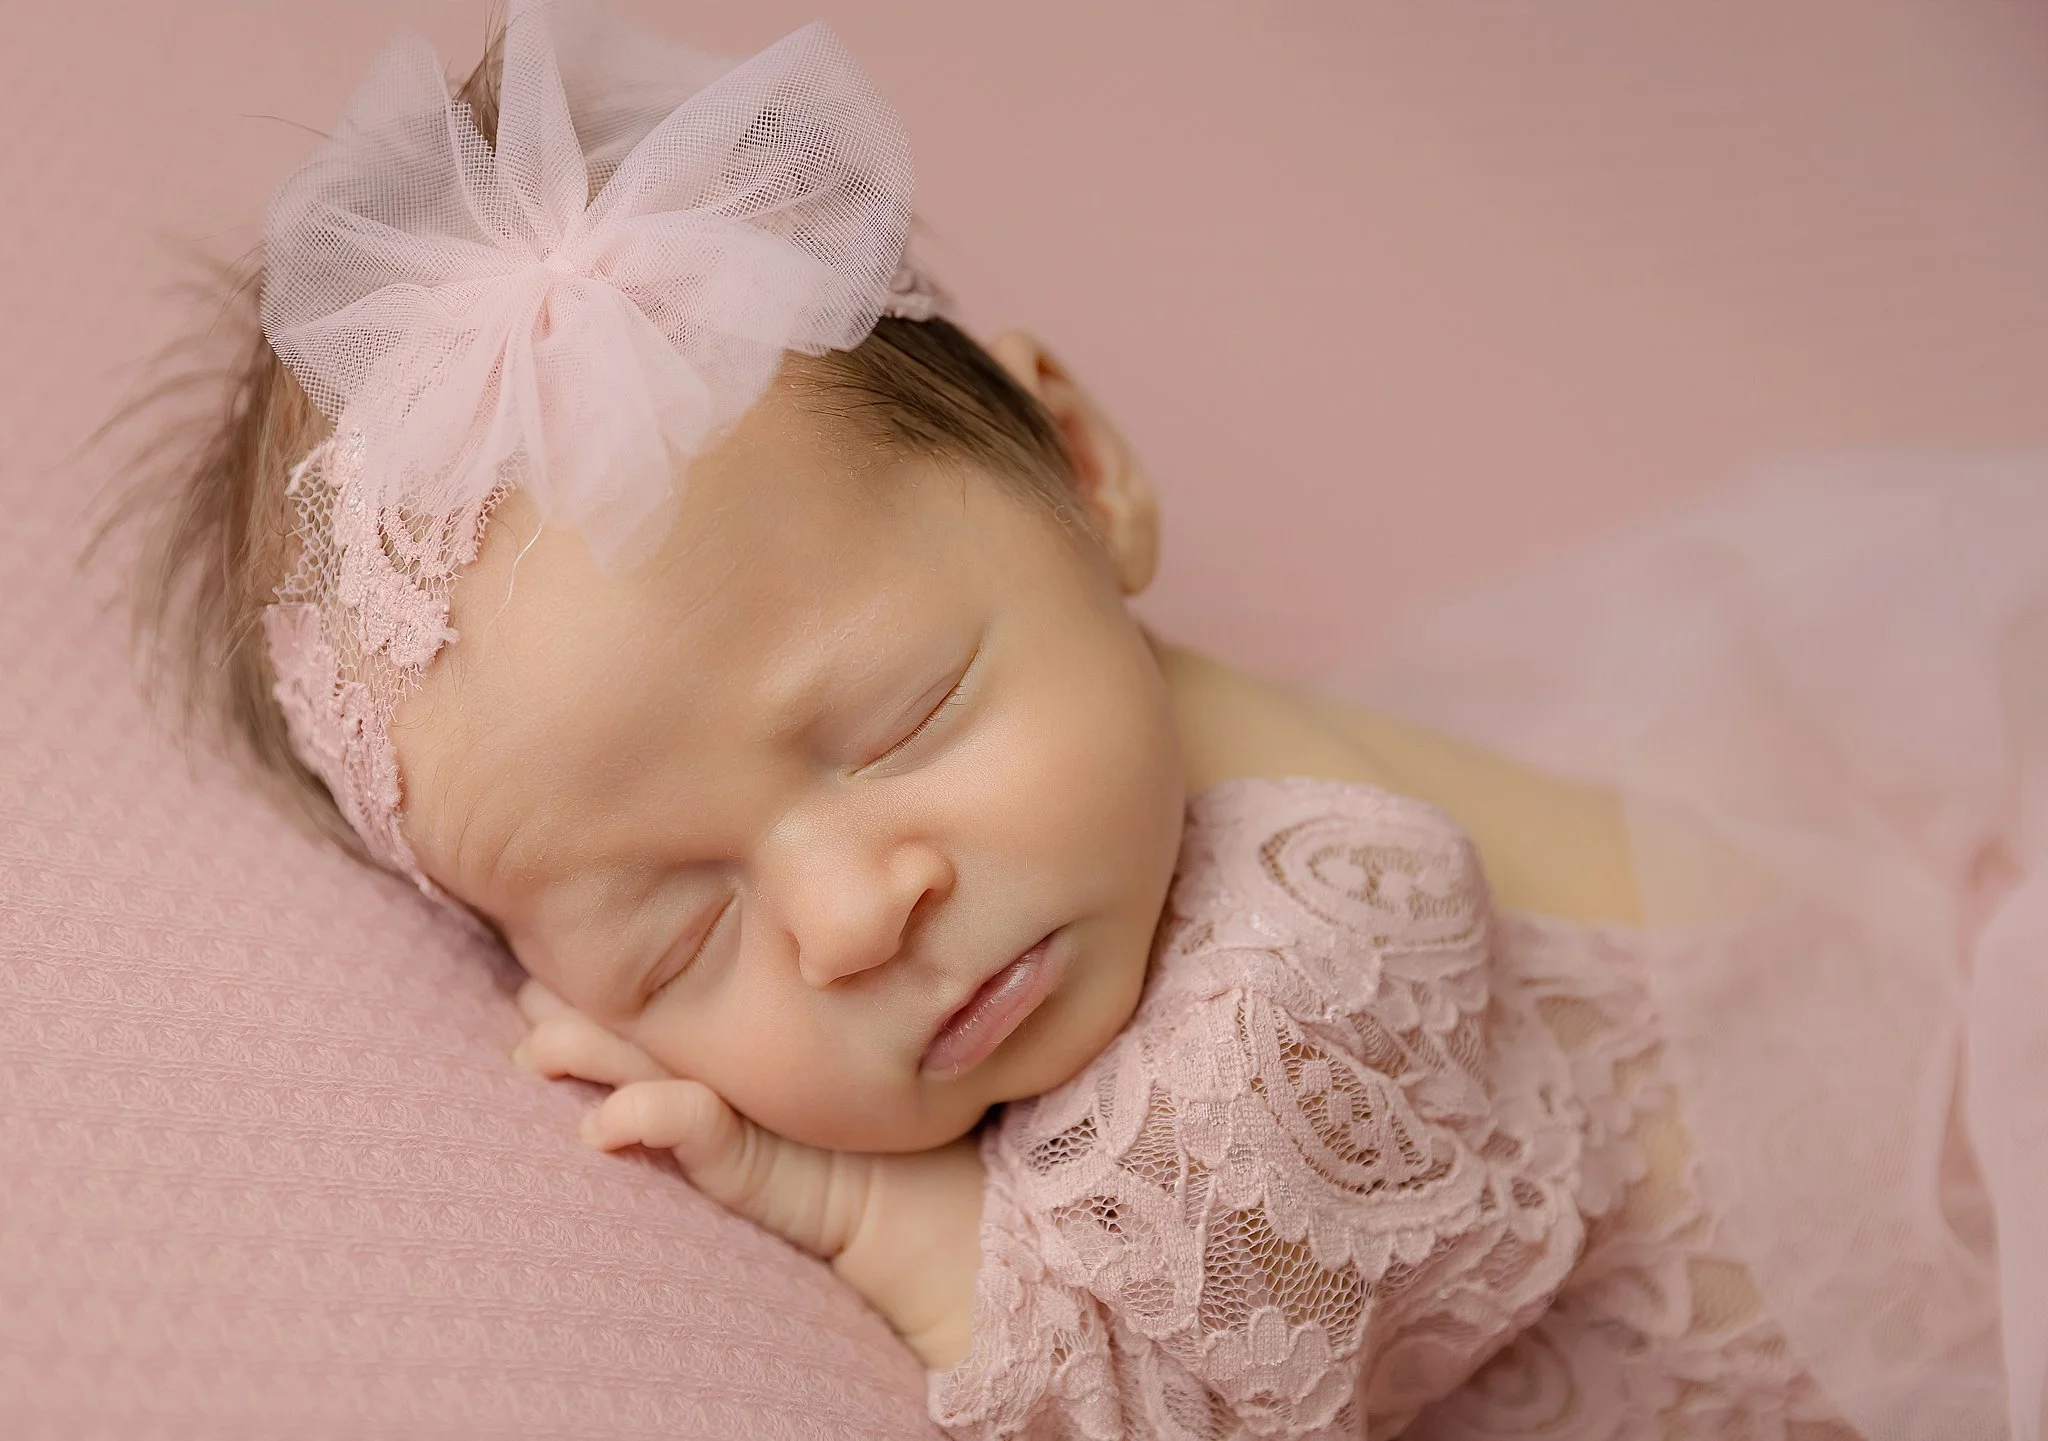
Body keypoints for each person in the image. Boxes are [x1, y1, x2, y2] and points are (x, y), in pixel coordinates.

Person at [127, 2, 2044, 1436]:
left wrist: (865, 1217)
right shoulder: (1102, 809)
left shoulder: (1315, 944)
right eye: (680, 930)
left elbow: (1178, 1398)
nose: (856, 910)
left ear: (1081, 462)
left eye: (897, 721)